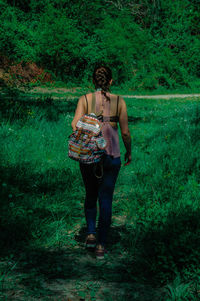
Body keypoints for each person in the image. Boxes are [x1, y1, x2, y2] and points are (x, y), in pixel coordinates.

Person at [71, 65, 131, 259]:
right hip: (111, 156)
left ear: (93, 80)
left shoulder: (85, 99)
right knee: (105, 198)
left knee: (90, 193)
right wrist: (129, 151)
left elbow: (74, 124)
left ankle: (90, 234)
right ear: (111, 81)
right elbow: (125, 132)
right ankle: (101, 245)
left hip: (88, 155)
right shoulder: (119, 101)